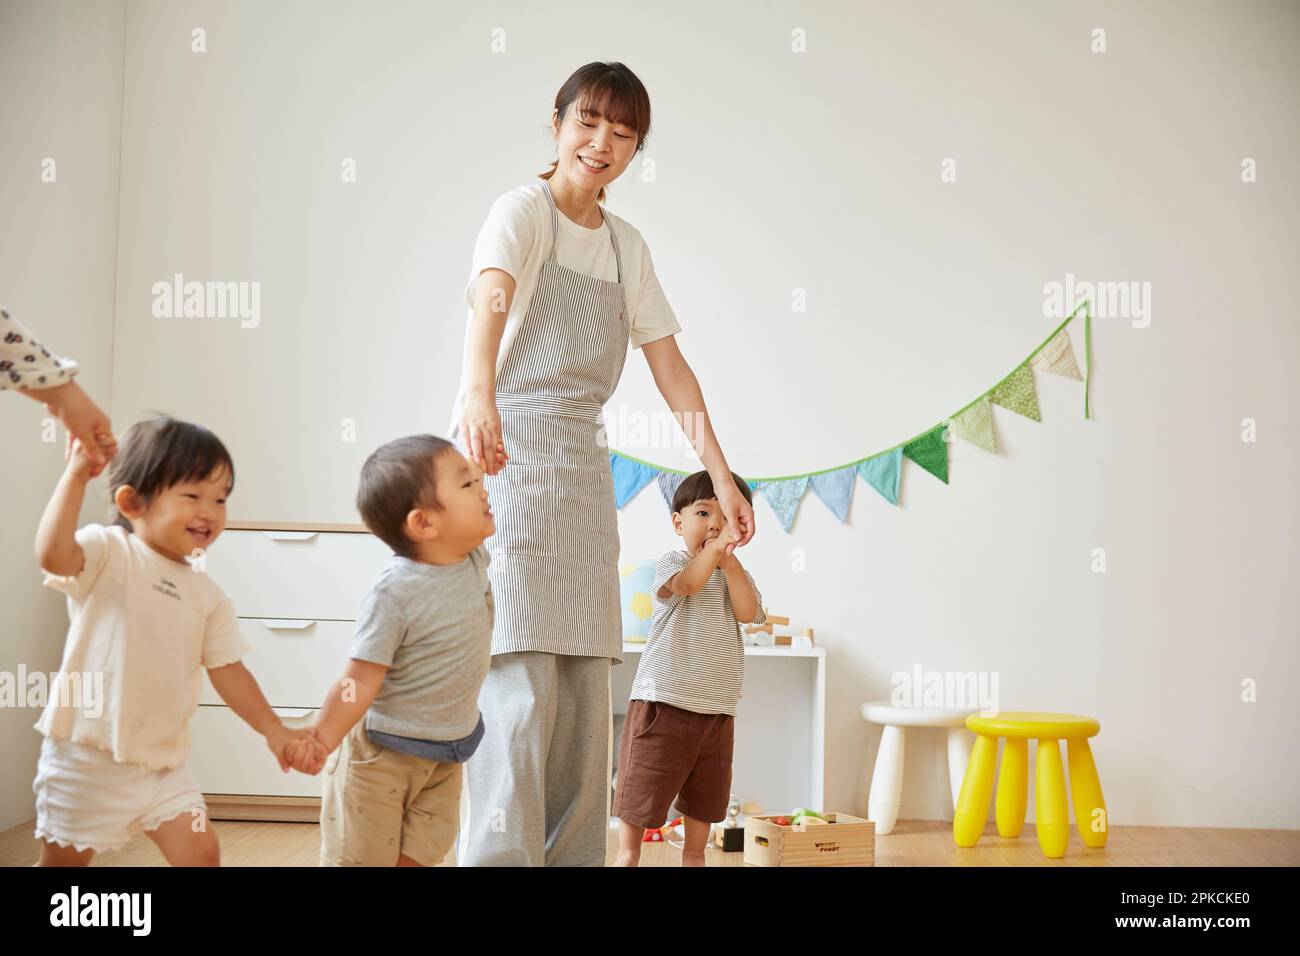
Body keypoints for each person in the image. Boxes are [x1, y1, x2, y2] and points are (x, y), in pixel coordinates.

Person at [450, 62, 755, 866]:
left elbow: (671, 369)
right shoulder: (522, 212)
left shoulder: (626, 247)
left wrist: (719, 476)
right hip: (508, 452)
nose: (602, 144)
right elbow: (491, 296)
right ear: (556, 124)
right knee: (517, 691)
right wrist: (477, 392)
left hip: (582, 471)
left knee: (586, 696)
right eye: (589, 124)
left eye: (623, 135)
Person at [32, 414, 311, 866]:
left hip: (164, 766)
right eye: (193, 495)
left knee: (202, 853)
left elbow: (229, 670)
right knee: (63, 867)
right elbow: (53, 554)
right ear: (133, 501)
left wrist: (274, 731)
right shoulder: (109, 552)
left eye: (220, 498)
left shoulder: (207, 595)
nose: (210, 511)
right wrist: (76, 475)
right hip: (86, 759)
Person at [285, 435, 496, 867]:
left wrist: (480, 462)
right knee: (363, 859)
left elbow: (479, 498)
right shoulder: (394, 592)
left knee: (422, 854)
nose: (484, 490)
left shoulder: (474, 558)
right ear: (423, 524)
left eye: (477, 481)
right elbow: (360, 678)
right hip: (381, 757)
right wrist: (322, 737)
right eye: (467, 485)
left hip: (446, 755)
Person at [611, 471, 765, 866]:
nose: (715, 525)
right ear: (678, 523)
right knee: (642, 790)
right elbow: (687, 587)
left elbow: (749, 613)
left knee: (706, 798)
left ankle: (694, 856)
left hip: (716, 712)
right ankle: (627, 856)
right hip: (663, 704)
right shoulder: (675, 561)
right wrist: (713, 554)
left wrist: (730, 566)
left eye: (725, 518)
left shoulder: (737, 577)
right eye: (703, 513)